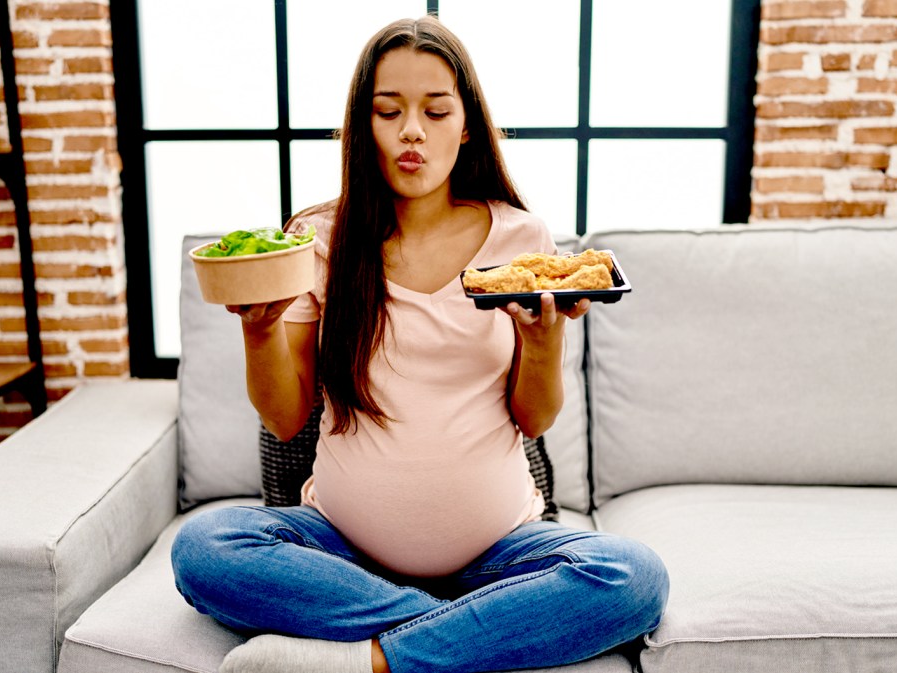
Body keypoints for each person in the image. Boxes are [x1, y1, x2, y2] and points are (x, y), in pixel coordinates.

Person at [170, 15, 669, 673]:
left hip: (499, 553)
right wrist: (258, 329)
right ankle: (474, 629)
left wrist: (542, 339)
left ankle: (373, 659)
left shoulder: (521, 238)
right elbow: (286, 418)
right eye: (389, 111)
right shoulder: (318, 237)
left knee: (634, 575)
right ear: (364, 125)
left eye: (435, 112)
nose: (412, 130)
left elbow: (535, 418)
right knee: (204, 548)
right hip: (340, 552)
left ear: (466, 126)